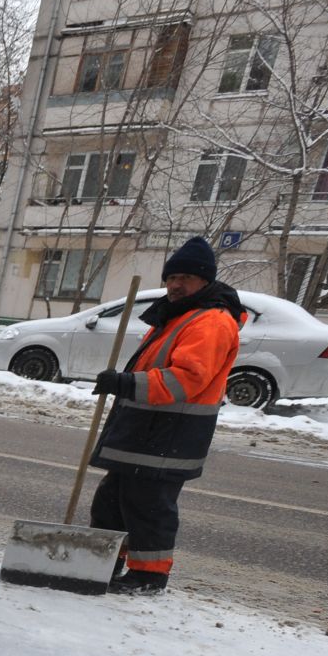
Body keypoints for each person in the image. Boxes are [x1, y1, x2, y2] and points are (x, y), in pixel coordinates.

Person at [86, 236, 247, 594]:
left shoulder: (211, 322)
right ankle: (104, 562)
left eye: (186, 278)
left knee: (148, 507)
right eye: (171, 277)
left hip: (169, 435)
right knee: (112, 502)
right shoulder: (181, 315)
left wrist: (126, 383)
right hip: (147, 433)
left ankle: (149, 575)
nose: (175, 284)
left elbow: (185, 380)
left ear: (205, 281)